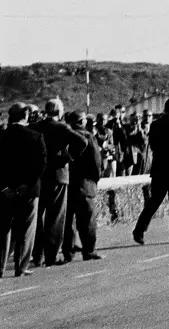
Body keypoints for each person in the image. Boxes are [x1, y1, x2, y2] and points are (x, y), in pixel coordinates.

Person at [31, 98, 88, 268]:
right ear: (59, 112)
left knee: (38, 218)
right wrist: (68, 157)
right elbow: (82, 142)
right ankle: (51, 255)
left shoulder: (35, 127)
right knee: (55, 218)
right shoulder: (62, 128)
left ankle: (37, 255)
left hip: (39, 176)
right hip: (58, 175)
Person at [133, 98, 169, 245]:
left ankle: (139, 230)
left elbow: (152, 145)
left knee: (154, 201)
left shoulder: (155, 125)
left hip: (160, 168)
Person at [0, 103, 47, 277]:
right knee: (26, 227)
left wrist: (4, 187)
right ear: (25, 115)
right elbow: (41, 164)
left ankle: (0, 266)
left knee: (3, 229)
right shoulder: (35, 136)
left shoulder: (2, 136)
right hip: (28, 189)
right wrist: (27, 184)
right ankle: (21, 265)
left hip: (5, 191)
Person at [62, 111, 103, 262]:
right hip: (85, 183)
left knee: (66, 221)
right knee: (87, 221)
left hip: (67, 183)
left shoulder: (64, 136)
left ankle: (68, 250)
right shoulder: (87, 136)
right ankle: (89, 250)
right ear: (83, 121)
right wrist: (95, 180)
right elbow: (96, 162)